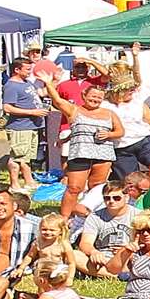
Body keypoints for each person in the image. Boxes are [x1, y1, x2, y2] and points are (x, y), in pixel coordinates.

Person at [44, 79, 124, 219]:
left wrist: (109, 134)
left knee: (97, 187)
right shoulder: (74, 110)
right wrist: (48, 83)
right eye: (93, 96)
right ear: (84, 96)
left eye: (99, 97)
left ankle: (92, 216)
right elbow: (57, 100)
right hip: (80, 153)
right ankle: (64, 218)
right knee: (74, 188)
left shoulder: (109, 113)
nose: (95, 99)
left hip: (103, 154)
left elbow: (120, 131)